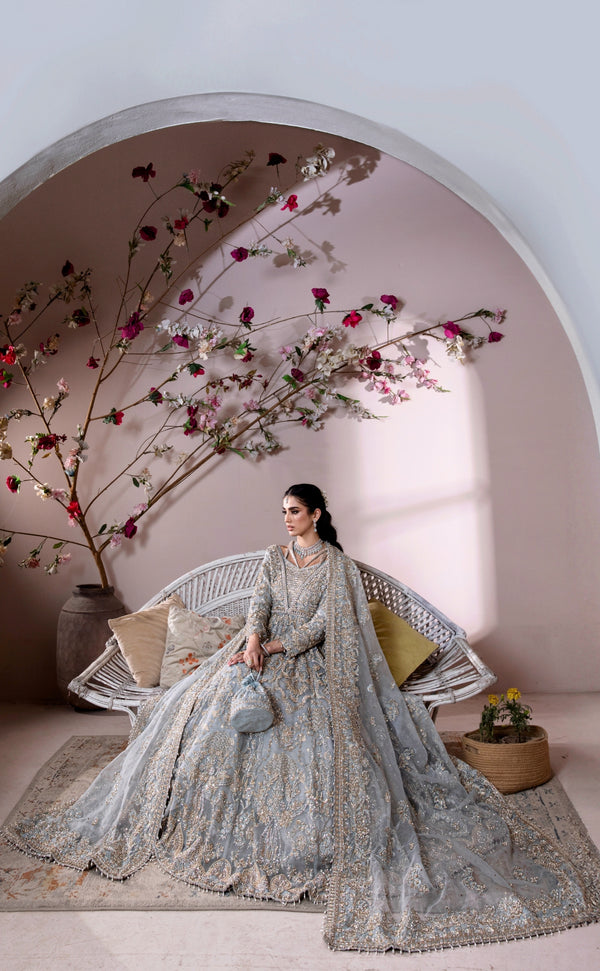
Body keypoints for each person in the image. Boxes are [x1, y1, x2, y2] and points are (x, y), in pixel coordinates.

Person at [3, 484, 599, 952]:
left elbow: (323, 627)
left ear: (316, 515)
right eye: (283, 512)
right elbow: (259, 602)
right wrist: (253, 640)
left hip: (309, 662)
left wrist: (279, 646)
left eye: (294, 511)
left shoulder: (337, 566)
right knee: (202, 709)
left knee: (310, 739)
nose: (286, 519)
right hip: (257, 651)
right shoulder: (272, 557)